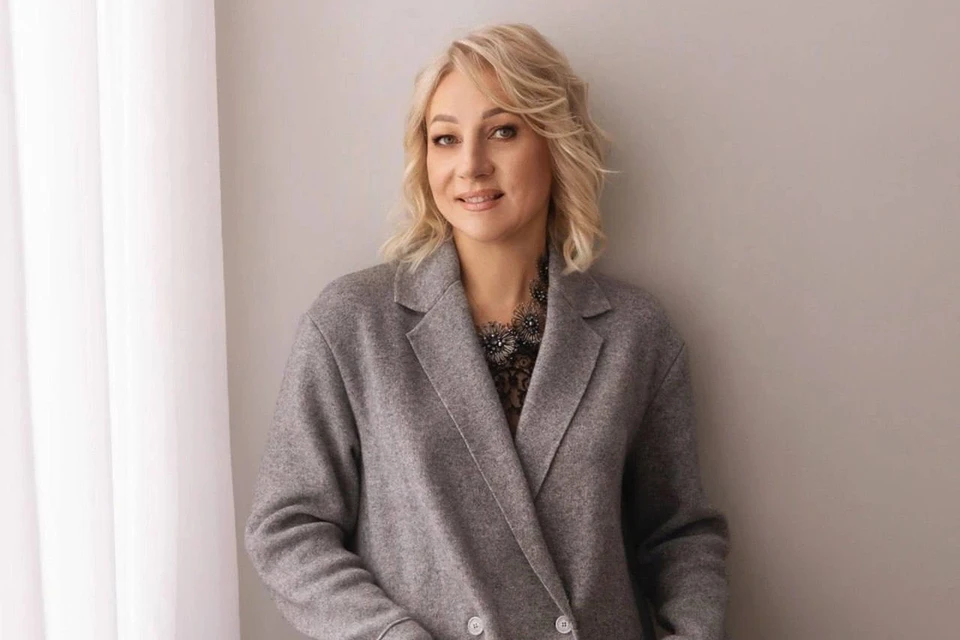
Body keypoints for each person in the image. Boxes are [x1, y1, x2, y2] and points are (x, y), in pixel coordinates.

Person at [245, 22, 731, 640]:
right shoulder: (353, 324)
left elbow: (679, 534)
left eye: (503, 131)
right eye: (445, 139)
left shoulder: (637, 333)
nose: (471, 166)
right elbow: (287, 527)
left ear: (555, 142)